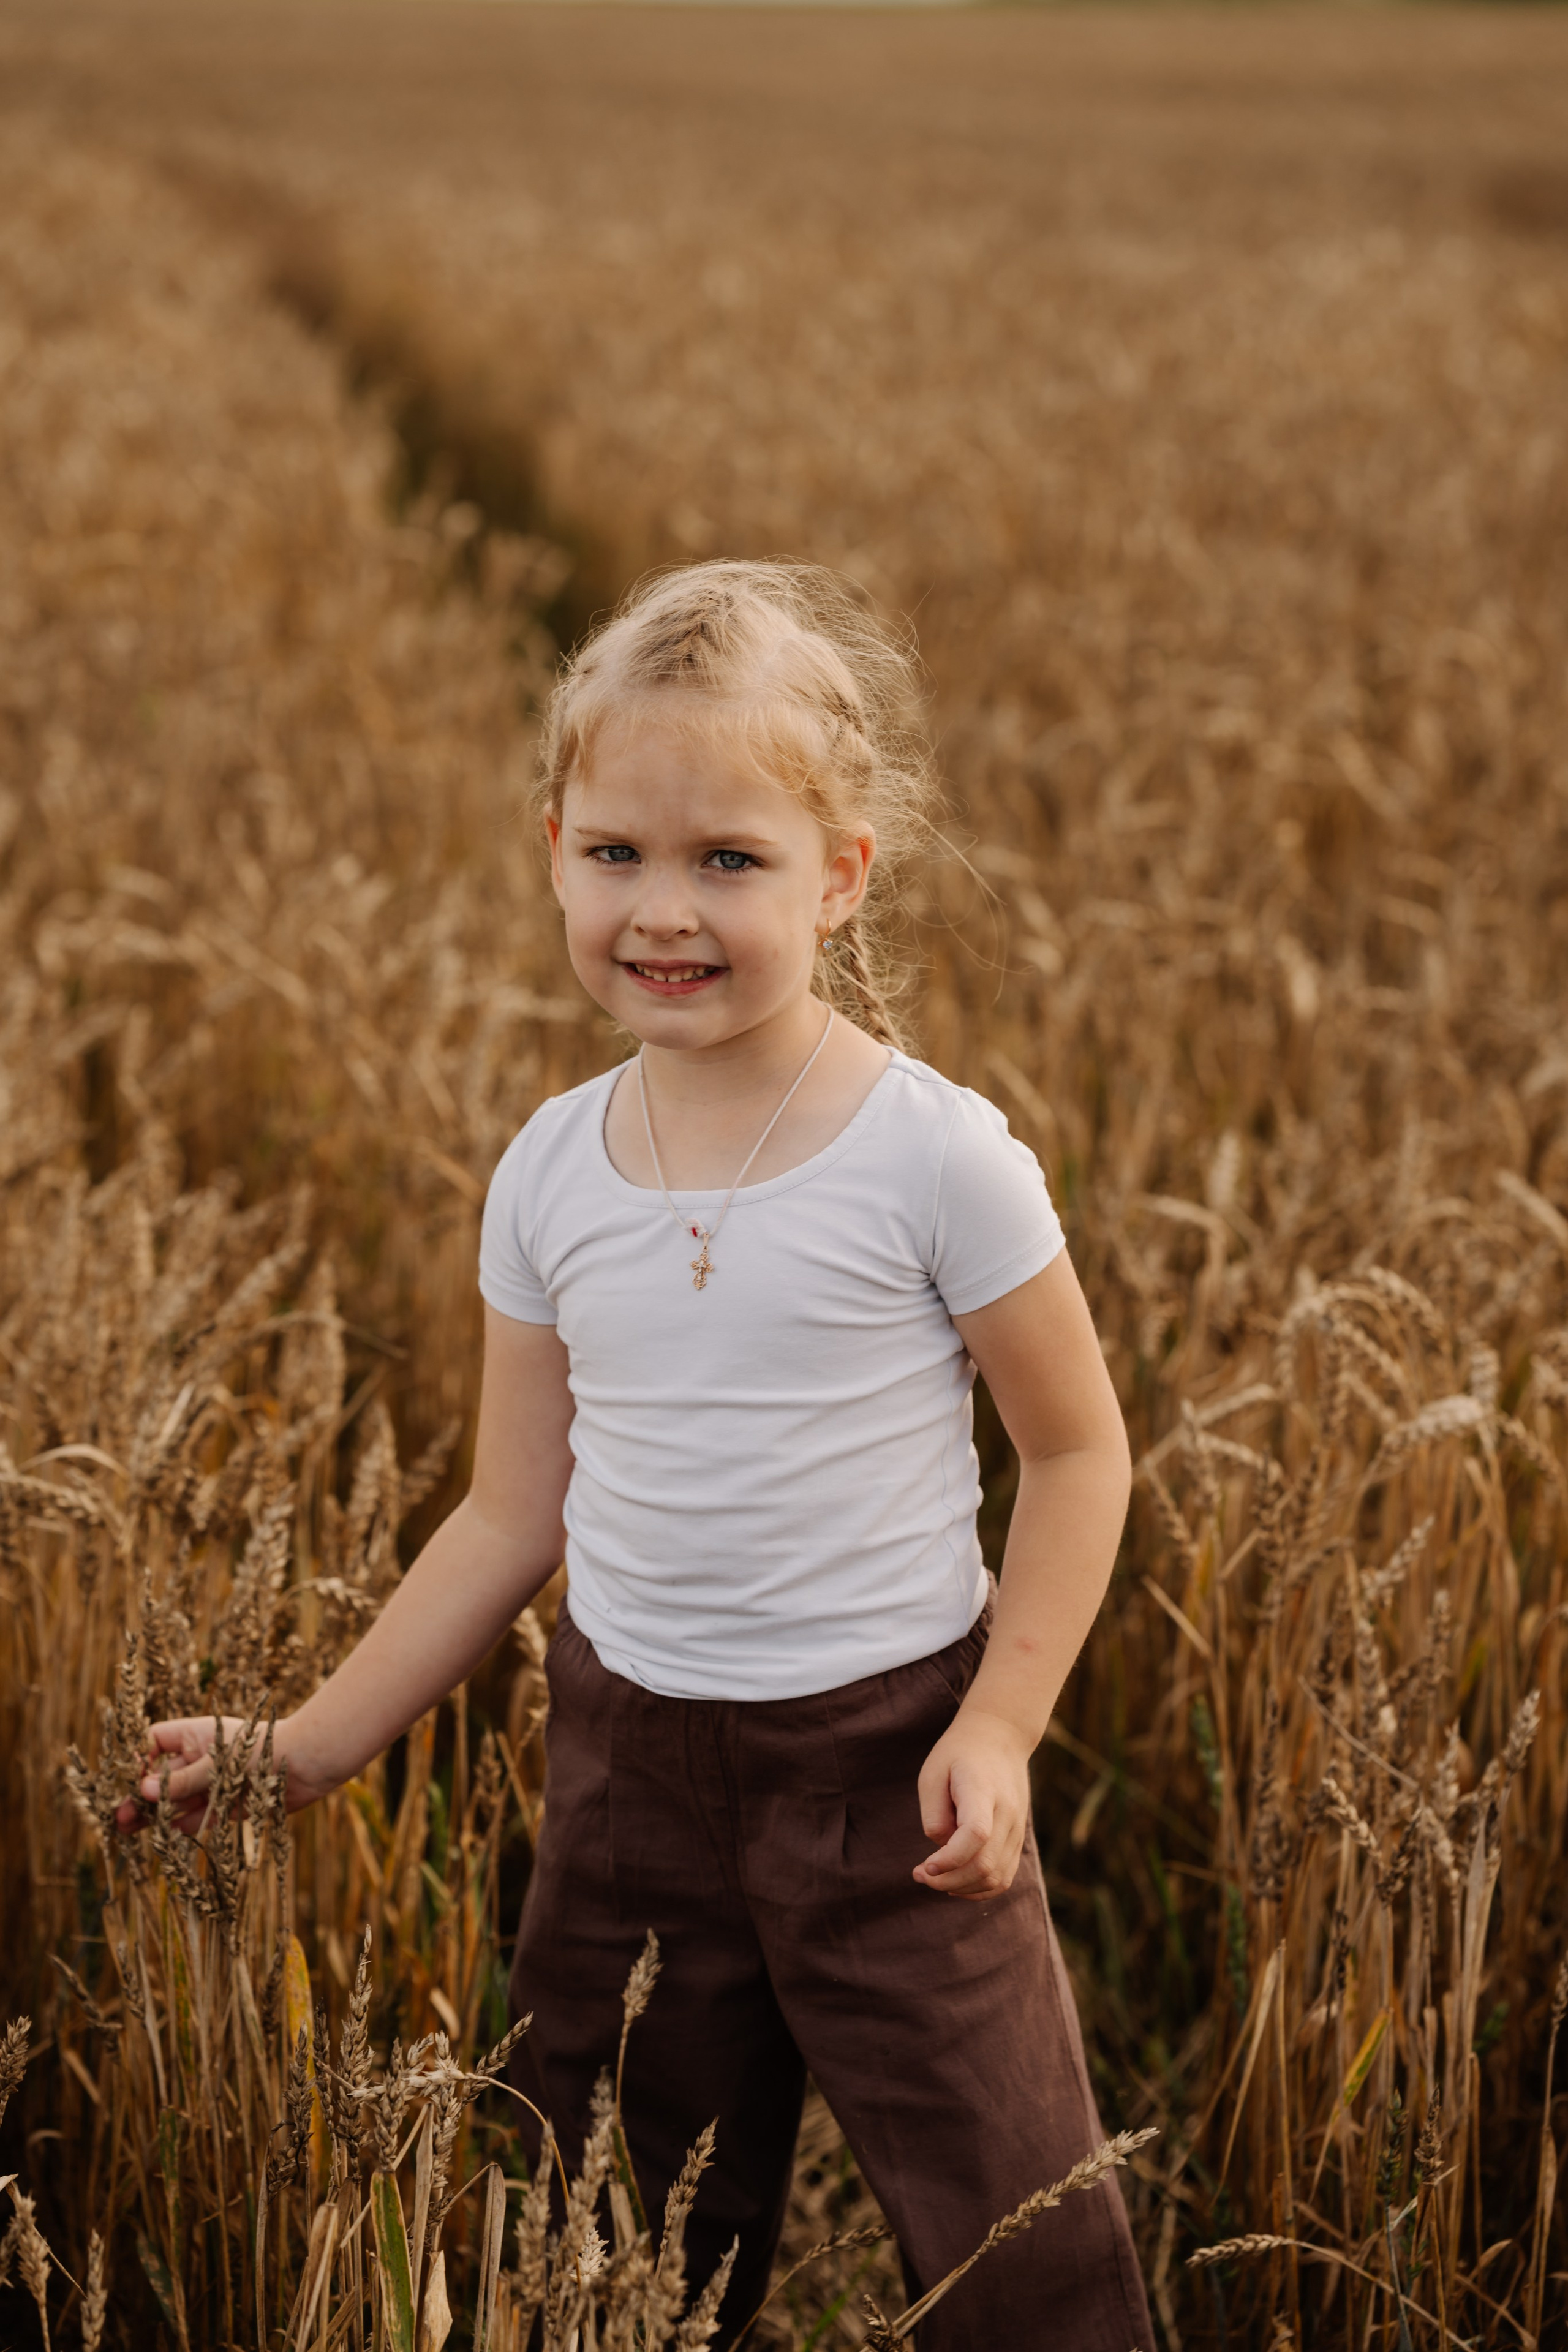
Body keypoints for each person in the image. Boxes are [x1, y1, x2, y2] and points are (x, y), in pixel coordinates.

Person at [124, 562, 1153, 2350]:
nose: (661, 910)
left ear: (842, 877)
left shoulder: (935, 1159)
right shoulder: (549, 1172)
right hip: (627, 1781)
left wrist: (996, 1732)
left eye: (728, 862)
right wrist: (308, 1745)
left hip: (891, 1777)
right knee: (607, 2247)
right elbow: (513, 1510)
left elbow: (1078, 1458)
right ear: (552, 848)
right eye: (614, 854)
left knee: (1028, 2258)